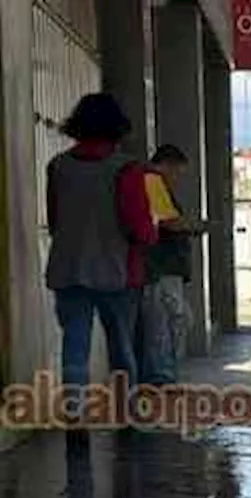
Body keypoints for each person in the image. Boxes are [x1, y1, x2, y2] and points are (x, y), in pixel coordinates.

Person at [45, 93, 157, 418]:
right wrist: (150, 237)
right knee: (121, 347)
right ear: (117, 127)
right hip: (116, 271)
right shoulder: (126, 170)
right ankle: (126, 412)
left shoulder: (58, 167)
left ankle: (74, 413)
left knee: (74, 348)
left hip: (68, 269)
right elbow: (139, 226)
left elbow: (54, 219)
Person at [139, 144, 206, 386]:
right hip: (161, 265)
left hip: (164, 265)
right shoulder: (152, 181)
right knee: (174, 318)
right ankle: (162, 374)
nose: (177, 178)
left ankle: (164, 372)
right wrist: (195, 226)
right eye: (177, 172)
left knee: (171, 319)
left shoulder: (154, 182)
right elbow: (169, 222)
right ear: (167, 164)